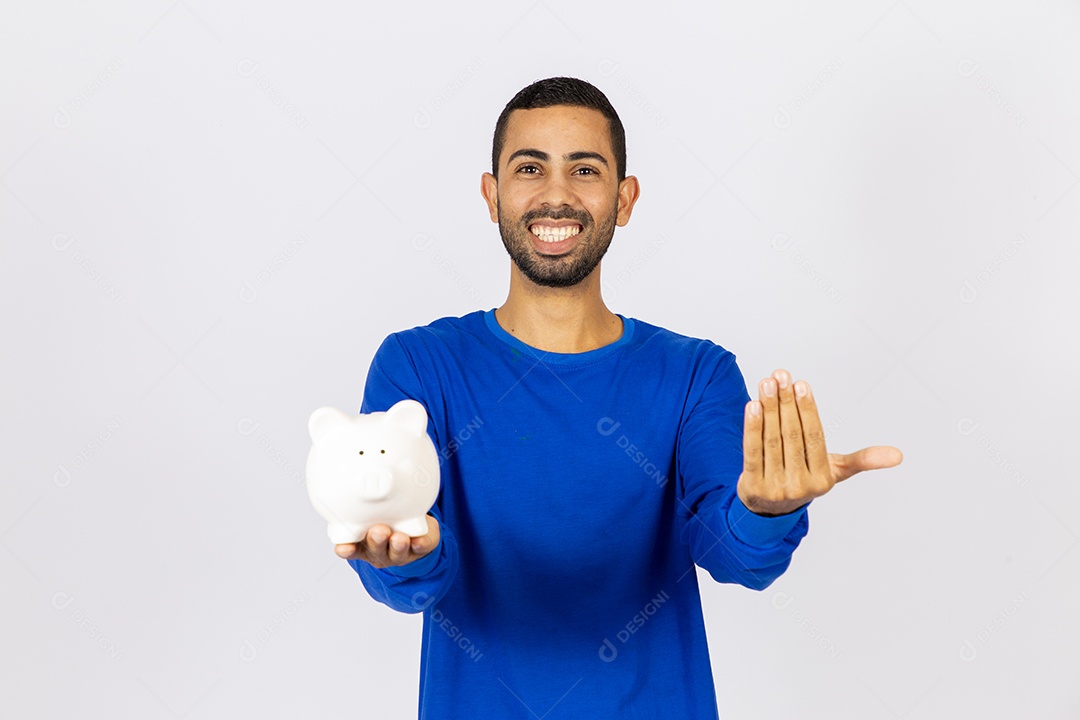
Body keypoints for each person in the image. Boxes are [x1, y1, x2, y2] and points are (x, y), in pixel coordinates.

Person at [334, 76, 903, 718]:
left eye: (584, 170)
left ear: (624, 199)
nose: (556, 195)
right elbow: (408, 576)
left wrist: (767, 510)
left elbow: (736, 555)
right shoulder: (418, 366)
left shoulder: (696, 374)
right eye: (529, 168)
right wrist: (404, 555)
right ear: (492, 196)